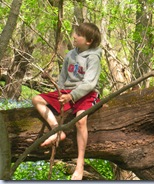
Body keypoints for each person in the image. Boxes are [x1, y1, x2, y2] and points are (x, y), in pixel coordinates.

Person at [32, 22, 102, 180]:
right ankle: (57, 130)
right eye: (75, 33)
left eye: (78, 35)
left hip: (87, 93)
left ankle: (80, 164)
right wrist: (60, 93)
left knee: (81, 121)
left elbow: (90, 83)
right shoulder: (70, 54)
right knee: (36, 99)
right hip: (67, 92)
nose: (74, 36)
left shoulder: (93, 58)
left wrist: (72, 96)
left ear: (88, 41)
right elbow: (63, 78)